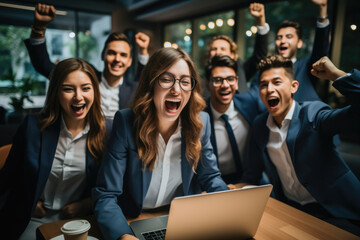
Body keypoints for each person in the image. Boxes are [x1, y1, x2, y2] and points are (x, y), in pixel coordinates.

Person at [93, 47, 229, 240]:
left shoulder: (201, 122)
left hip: (182, 221)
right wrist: (123, 236)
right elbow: (106, 194)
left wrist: (231, 208)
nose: (176, 89)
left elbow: (211, 177)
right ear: (151, 83)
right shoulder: (126, 122)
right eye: (166, 79)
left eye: (185, 81)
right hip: (134, 220)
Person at [242, 55, 360, 235]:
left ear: (293, 87)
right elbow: (252, 174)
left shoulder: (313, 114)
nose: (269, 89)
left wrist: (337, 75)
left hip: (337, 214)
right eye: (264, 85)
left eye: (277, 82)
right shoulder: (259, 126)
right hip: (292, 210)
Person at [0, 58, 108, 240]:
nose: (78, 96)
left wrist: (87, 203)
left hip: (80, 221)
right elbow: (7, 179)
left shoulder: (108, 133)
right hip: (31, 219)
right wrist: (26, 202)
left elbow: (114, 188)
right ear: (56, 92)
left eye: (86, 88)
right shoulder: (32, 128)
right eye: (68, 89)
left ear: (95, 92)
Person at [24, 3, 150, 119]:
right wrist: (38, 29)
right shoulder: (86, 77)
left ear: (129, 61)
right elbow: (44, 66)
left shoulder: (134, 88)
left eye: (123, 55)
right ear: (103, 55)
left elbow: (143, 77)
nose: (117, 59)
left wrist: (143, 51)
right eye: (112, 53)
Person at [251, 0, 330, 102]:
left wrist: (322, 10)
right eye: (279, 37)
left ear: (299, 43)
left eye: (289, 37)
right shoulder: (264, 71)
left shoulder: (307, 67)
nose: (283, 41)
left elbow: (320, 49)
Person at [204, 55, 265, 184]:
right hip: (212, 184)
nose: (225, 85)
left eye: (230, 79)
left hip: (250, 179)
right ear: (208, 84)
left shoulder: (250, 103)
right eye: (218, 80)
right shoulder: (200, 116)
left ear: (237, 82)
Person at [206, 2, 269, 93]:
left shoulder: (240, 70)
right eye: (214, 49)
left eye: (222, 49)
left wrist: (260, 21)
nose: (218, 52)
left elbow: (259, 55)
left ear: (232, 54)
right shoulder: (204, 77)